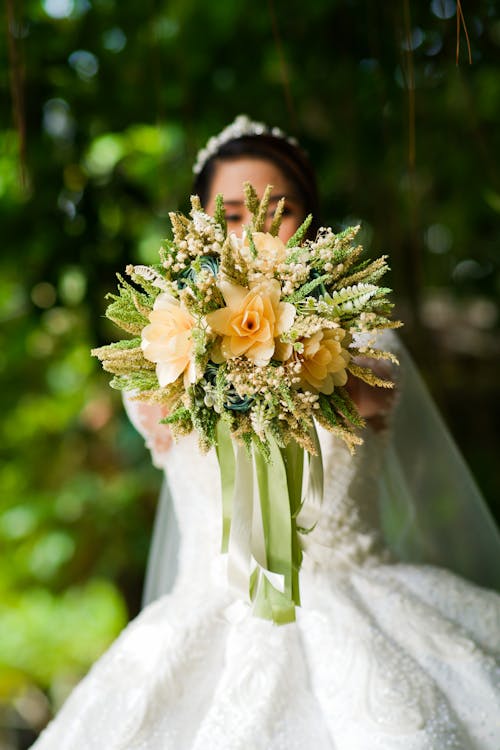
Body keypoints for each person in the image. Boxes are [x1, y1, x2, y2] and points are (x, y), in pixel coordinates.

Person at [31, 115, 500, 750]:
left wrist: (283, 337)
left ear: (311, 222)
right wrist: (206, 339)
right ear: (199, 228)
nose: (253, 228)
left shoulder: (365, 349)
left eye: (278, 210)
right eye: (229, 214)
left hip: (363, 608)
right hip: (203, 618)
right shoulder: (164, 356)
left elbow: (360, 393)